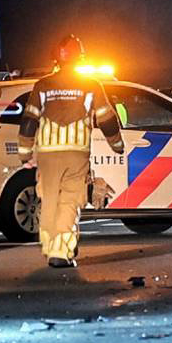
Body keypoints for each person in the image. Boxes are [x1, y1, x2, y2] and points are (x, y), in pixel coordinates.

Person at [17, 34, 124, 268]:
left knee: (50, 199)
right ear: (80, 58)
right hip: (76, 154)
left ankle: (51, 244)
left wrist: (24, 152)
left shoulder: (43, 85)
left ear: (56, 57)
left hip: (47, 154)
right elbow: (107, 118)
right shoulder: (91, 85)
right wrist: (117, 144)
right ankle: (60, 251)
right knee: (69, 202)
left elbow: (29, 120)